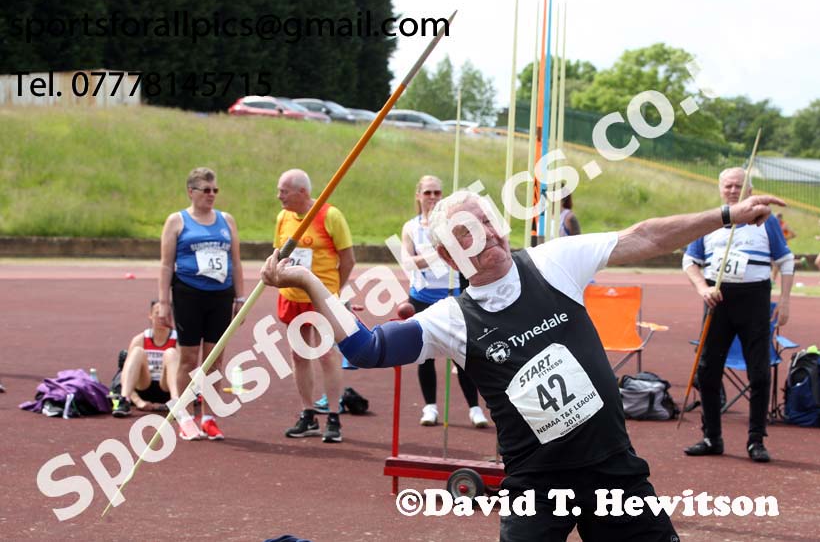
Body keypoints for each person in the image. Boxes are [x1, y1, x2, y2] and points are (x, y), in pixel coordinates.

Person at [261, 187, 783, 541]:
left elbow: (643, 236)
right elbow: (365, 349)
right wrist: (309, 283)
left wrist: (727, 215)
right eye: (468, 233)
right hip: (537, 482)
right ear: (448, 258)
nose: (488, 234)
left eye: (487, 220)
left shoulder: (554, 261)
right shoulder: (452, 319)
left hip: (613, 470)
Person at [682, 168, 794, 463]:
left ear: (750, 189)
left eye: (739, 185)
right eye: (728, 186)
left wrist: (784, 301)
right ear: (720, 189)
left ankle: (756, 440)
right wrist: (702, 288)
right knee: (707, 371)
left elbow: (786, 261)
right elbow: (689, 261)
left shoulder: (765, 221)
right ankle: (711, 437)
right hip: (718, 302)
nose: (733, 190)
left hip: (755, 300)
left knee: (758, 371)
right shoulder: (710, 221)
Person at [158, 167, 244, 441]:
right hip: (188, 294)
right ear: (191, 191)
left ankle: (208, 417)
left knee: (215, 359)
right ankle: (184, 416)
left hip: (220, 295)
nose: (211, 195)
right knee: (188, 358)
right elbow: (165, 264)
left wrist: (240, 298)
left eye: (215, 190)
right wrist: (163, 303)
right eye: (206, 190)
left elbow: (237, 262)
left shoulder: (226, 220)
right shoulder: (177, 221)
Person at [275, 169, 355, 443]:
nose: (279, 196)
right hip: (292, 297)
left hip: (320, 298)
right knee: (299, 356)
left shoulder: (330, 215)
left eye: (284, 192)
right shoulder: (283, 217)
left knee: (326, 355)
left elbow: (348, 259)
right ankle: (308, 413)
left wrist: (333, 292)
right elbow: (278, 256)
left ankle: (334, 416)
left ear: (302, 192)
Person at [401, 175, 488, 428]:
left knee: (462, 354)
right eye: (427, 192)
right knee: (424, 355)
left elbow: (467, 255)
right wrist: (437, 254)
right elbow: (407, 262)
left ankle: (474, 408)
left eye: (437, 193)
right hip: (421, 298)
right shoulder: (411, 227)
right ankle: (430, 408)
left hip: (452, 296)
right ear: (418, 195)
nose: (432, 197)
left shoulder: (452, 225)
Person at [112, 300, 181, 417]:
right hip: (144, 386)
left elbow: (187, 371)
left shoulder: (178, 340)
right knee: (137, 351)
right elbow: (124, 375)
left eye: (165, 314)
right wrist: (138, 401)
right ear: (150, 315)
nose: (161, 317)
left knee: (171, 353)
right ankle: (124, 400)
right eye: (157, 313)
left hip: (167, 388)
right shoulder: (140, 339)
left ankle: (177, 403)